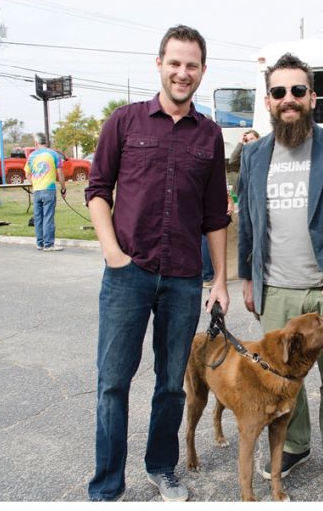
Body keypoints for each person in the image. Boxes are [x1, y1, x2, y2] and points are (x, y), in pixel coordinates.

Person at [84, 25, 230, 502]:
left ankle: (161, 466)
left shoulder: (209, 135)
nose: (182, 73)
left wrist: (221, 279)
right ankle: (107, 484)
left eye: (192, 65)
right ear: (159, 64)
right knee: (113, 382)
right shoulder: (124, 122)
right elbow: (97, 191)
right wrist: (113, 253)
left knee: (171, 384)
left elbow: (214, 215)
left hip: (185, 278)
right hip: (130, 273)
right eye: (175, 63)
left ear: (202, 71)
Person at [238, 53, 323, 494]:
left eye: (297, 90)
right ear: (268, 101)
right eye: (278, 92)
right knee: (285, 377)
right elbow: (248, 222)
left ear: (312, 96)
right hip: (276, 289)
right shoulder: (253, 154)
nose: (288, 99)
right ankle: (297, 443)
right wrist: (247, 278)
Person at [24, 132, 66, 252]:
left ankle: (40, 243)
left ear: (36, 143)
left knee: (38, 218)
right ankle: (48, 244)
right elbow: (60, 173)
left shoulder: (31, 156)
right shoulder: (53, 154)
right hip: (49, 189)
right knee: (48, 217)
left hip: (37, 190)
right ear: (45, 142)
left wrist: (35, 183)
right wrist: (63, 189)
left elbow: (27, 173)